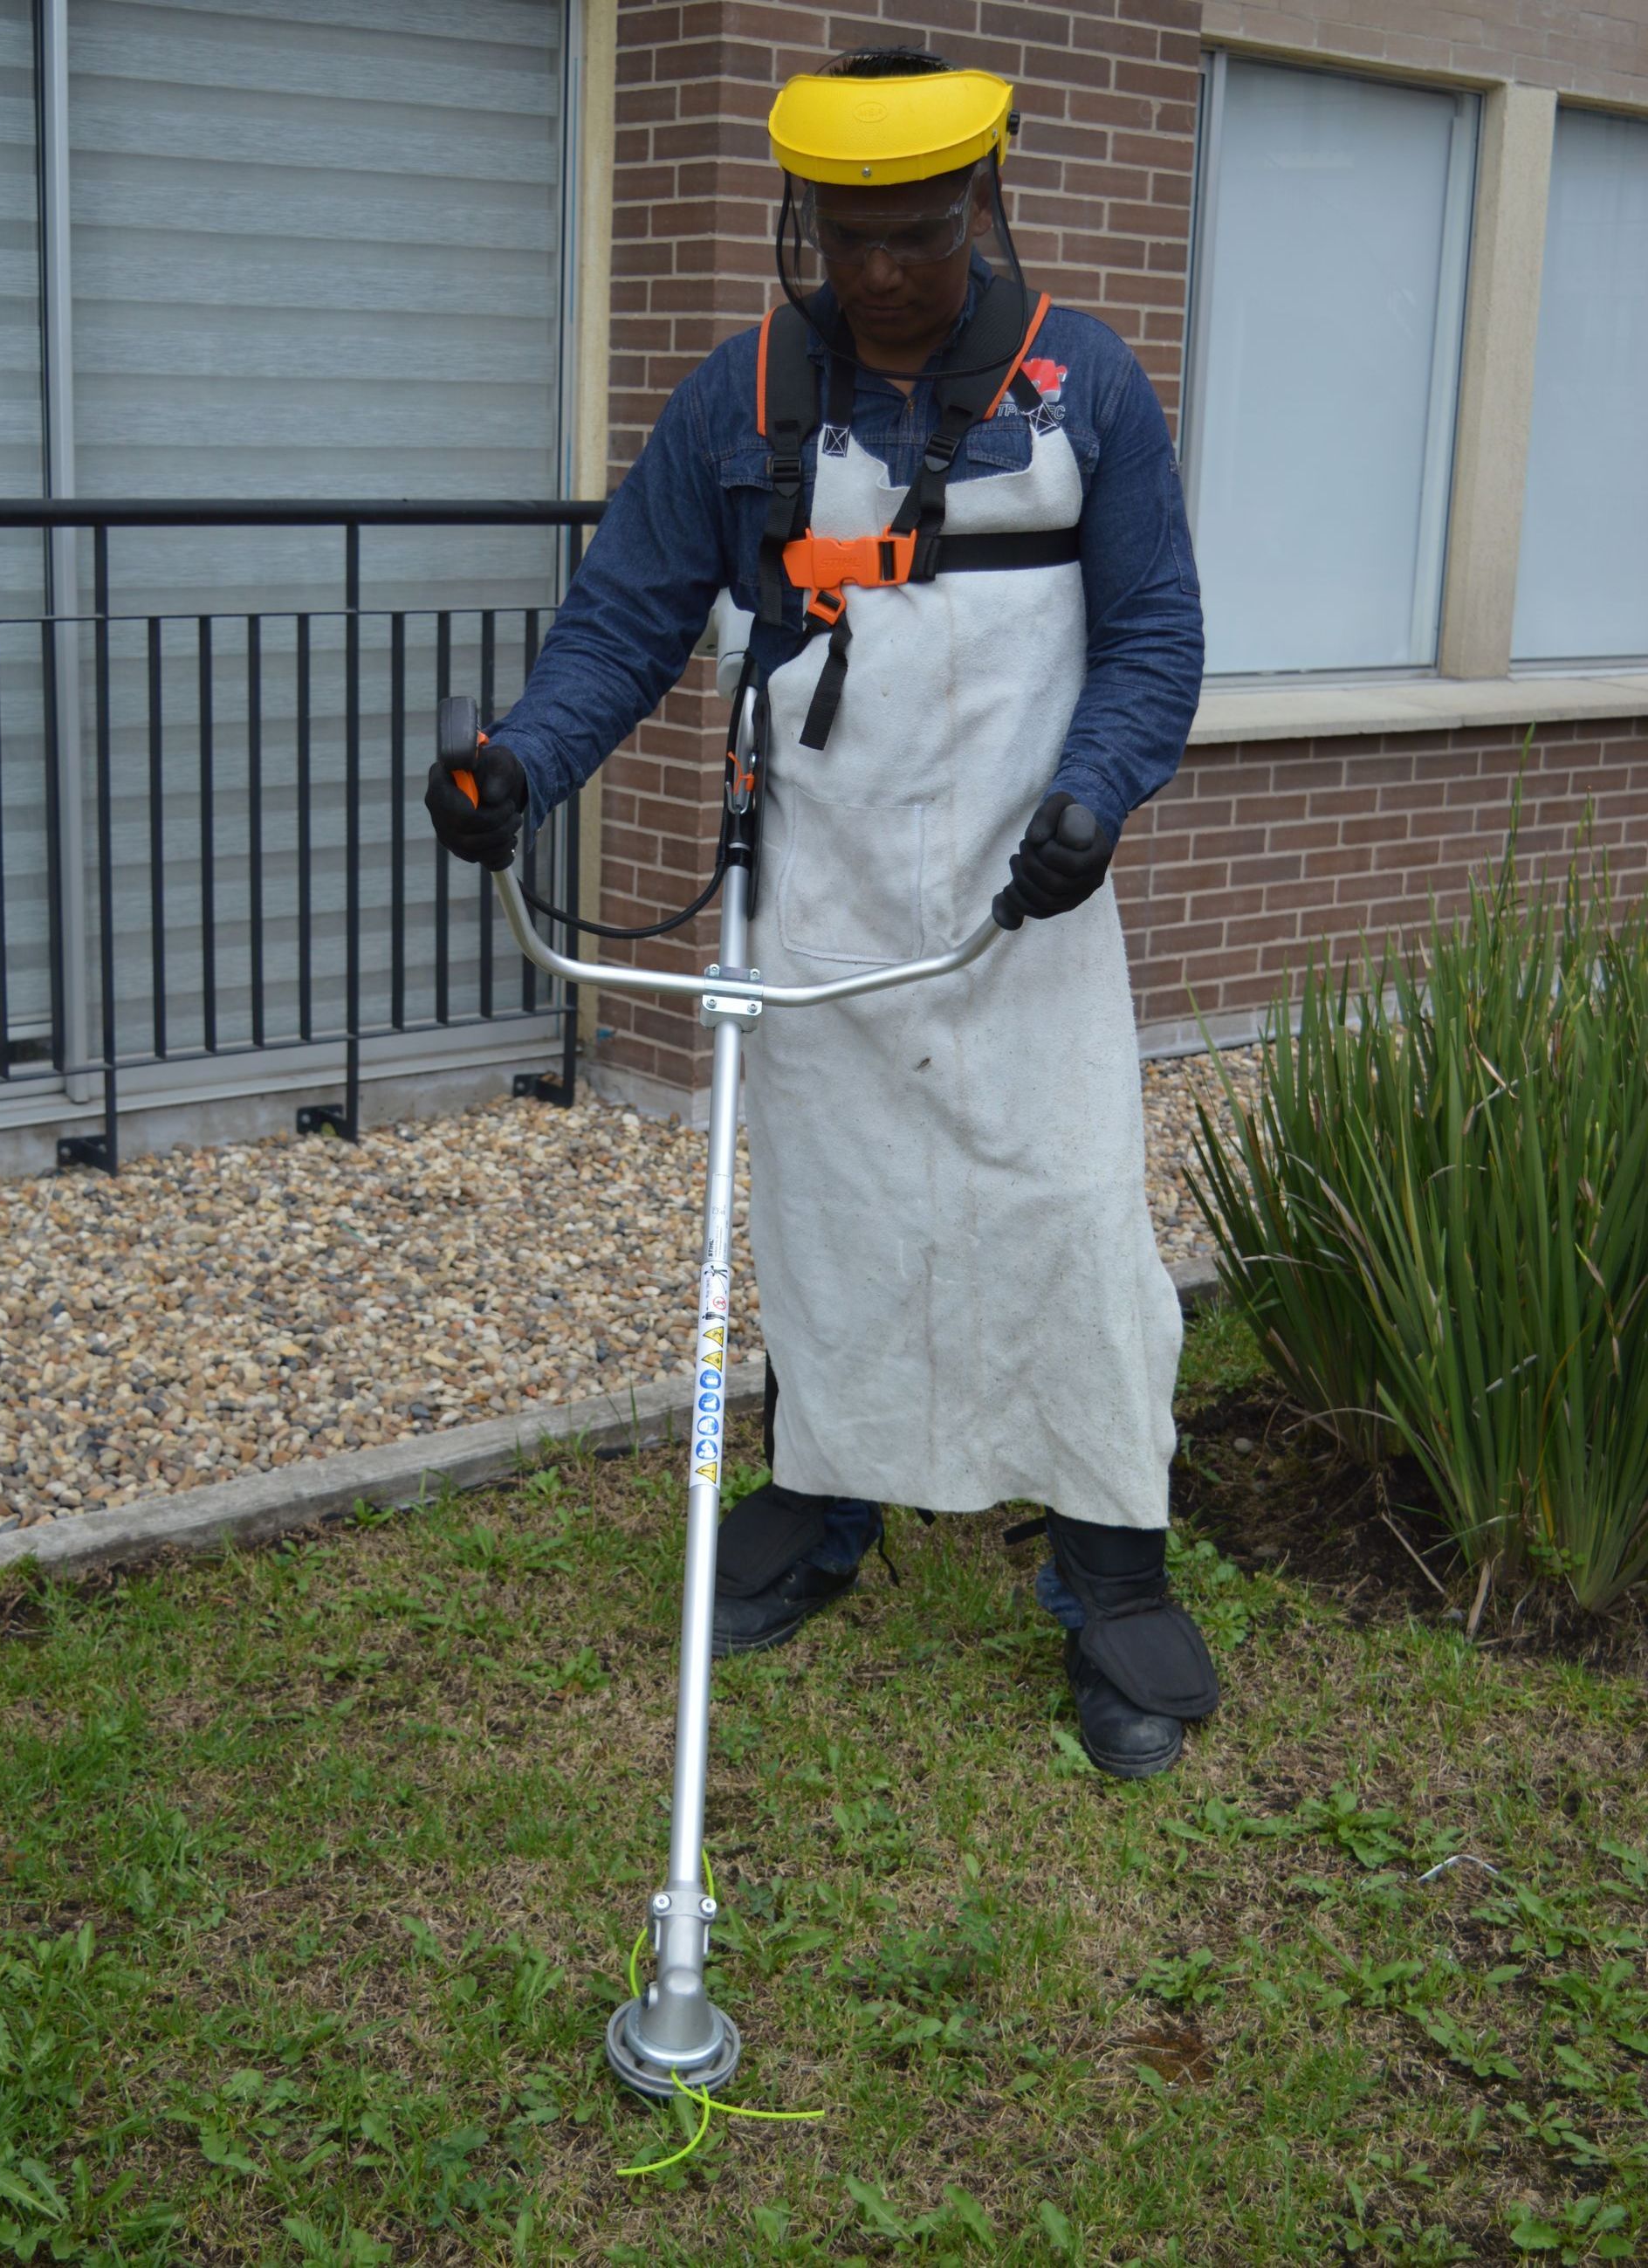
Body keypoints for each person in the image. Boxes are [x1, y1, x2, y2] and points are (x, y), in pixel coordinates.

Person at [426, 46, 1217, 1779]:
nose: (878, 275)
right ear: (804, 222)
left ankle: (1112, 1572)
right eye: (847, 238)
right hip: (830, 903)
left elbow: (1156, 637)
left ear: (985, 207)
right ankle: (818, 1510)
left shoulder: (1083, 388)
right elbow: (625, 622)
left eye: (917, 237)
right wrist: (520, 769)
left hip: (1032, 902)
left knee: (1074, 1222)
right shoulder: (749, 401)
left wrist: (1094, 801)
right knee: (838, 1228)